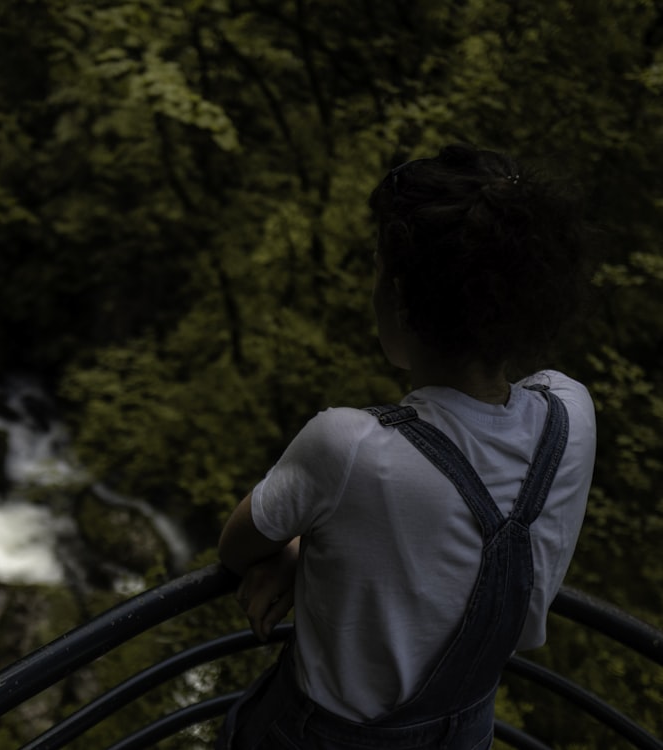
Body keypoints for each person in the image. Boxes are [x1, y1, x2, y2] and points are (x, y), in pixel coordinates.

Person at [215, 144, 597, 750]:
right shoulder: (571, 415)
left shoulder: (345, 447)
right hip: (467, 733)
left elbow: (237, 546)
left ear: (395, 296)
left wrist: (296, 549)